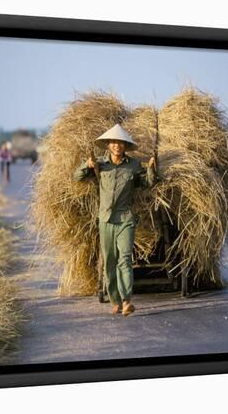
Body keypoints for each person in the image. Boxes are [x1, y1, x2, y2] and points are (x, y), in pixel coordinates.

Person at [73, 124, 157, 317]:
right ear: (108, 145)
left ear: (125, 146)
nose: (117, 146)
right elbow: (77, 177)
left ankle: (127, 301)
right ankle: (115, 301)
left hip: (126, 219)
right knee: (110, 261)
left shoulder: (134, 165)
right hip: (105, 220)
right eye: (113, 142)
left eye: (120, 143)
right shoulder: (100, 164)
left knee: (125, 259)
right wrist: (88, 165)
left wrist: (152, 169)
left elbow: (147, 183)